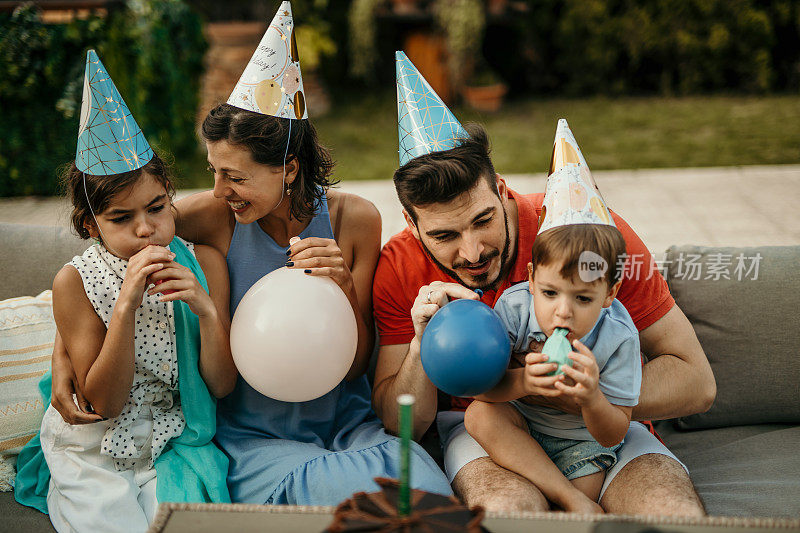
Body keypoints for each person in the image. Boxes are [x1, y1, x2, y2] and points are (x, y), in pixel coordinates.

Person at [48, 3, 452, 506]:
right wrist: (63, 348)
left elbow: (355, 367)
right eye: (214, 170)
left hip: (346, 422)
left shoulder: (355, 220)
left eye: (235, 176)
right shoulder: (211, 218)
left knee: (428, 490)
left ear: (288, 168)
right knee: (359, 497)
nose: (218, 190)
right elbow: (109, 246)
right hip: (252, 435)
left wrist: (345, 287)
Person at [372, 55, 715, 515]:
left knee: (672, 516)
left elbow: (697, 383)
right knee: (507, 515)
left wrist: (580, 395)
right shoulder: (398, 266)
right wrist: (421, 344)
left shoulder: (589, 238)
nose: (472, 253)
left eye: (483, 220)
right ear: (412, 226)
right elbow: (403, 424)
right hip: (492, 431)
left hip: (607, 430)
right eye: (445, 236)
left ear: (500, 189)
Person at [15, 50, 234, 532]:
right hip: (93, 445)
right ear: (91, 225)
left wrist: (207, 313)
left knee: (180, 522)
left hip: (168, 440)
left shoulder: (204, 264)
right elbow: (102, 405)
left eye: (157, 208)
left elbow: (221, 386)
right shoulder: (76, 282)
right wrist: (126, 306)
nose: (146, 229)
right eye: (121, 218)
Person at [464, 164, 642, 514]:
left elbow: (614, 432)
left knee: (583, 501)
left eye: (583, 298)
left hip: (582, 443)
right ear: (531, 279)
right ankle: (565, 495)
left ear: (610, 293)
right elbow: (483, 389)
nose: (563, 312)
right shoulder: (514, 307)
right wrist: (524, 381)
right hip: (521, 426)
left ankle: (568, 496)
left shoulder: (619, 337)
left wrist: (591, 398)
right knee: (479, 416)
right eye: (549, 293)